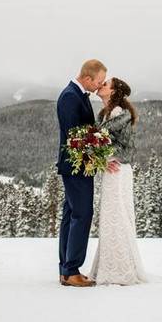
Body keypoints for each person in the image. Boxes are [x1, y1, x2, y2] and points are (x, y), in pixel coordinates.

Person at [55, 59, 118, 287]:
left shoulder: (77, 94)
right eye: (99, 81)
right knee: (82, 214)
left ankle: (66, 269)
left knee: (71, 215)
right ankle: (71, 270)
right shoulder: (70, 96)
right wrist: (100, 160)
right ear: (88, 78)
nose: (99, 85)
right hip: (76, 167)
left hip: (78, 166)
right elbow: (76, 139)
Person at [89, 76, 148, 285]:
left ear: (113, 92)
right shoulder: (103, 114)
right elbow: (97, 141)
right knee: (109, 217)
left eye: (105, 84)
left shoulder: (120, 115)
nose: (101, 85)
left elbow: (129, 150)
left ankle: (120, 270)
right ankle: (109, 265)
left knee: (118, 215)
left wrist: (105, 155)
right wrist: (100, 157)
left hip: (119, 171)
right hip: (110, 170)